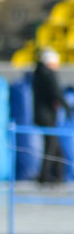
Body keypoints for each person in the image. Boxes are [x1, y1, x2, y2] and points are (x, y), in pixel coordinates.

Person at [32, 47, 71, 185]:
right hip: (47, 116)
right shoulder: (49, 74)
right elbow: (56, 92)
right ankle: (44, 176)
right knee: (51, 145)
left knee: (55, 146)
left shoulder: (38, 73)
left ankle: (59, 176)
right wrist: (67, 107)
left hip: (40, 115)